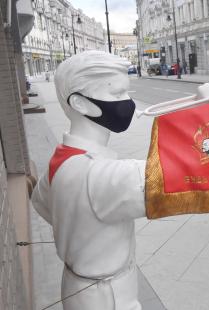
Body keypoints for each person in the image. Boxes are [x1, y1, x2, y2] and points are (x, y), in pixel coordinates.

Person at [31, 51, 146, 309]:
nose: (127, 102)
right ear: (80, 104)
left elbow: (40, 201)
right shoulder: (101, 175)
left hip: (78, 286)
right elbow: (195, 175)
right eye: (116, 94)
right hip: (109, 297)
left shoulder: (60, 161)